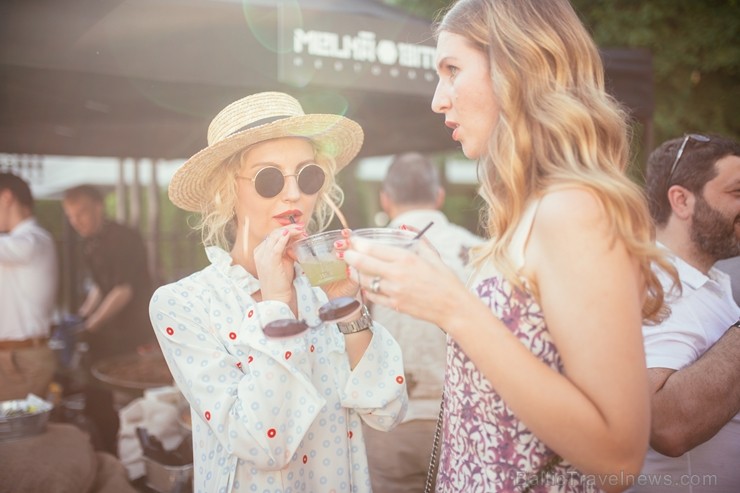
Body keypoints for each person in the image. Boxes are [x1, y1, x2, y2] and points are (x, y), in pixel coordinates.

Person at [343, 1, 677, 491]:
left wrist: (454, 307)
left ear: (519, 68)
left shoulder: (572, 209)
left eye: (453, 70)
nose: (438, 99)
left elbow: (618, 457)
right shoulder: (527, 211)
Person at [149, 91, 407, 492]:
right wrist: (274, 305)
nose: (293, 194)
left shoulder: (325, 286)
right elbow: (263, 445)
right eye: (269, 178)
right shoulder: (182, 303)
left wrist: (349, 307)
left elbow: (386, 410)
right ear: (226, 190)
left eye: (308, 176)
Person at [363, 152, 483, 493]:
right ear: (439, 195)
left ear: (386, 200)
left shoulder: (362, 253)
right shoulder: (479, 252)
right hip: (462, 419)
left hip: (387, 420)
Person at [632, 134, 740, 492]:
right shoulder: (656, 288)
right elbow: (665, 427)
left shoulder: (706, 279)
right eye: (736, 193)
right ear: (681, 200)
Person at [62, 184, 156, 455]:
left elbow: (123, 289)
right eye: (71, 216)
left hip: (132, 332)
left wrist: (91, 326)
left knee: (130, 399)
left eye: (81, 213)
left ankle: (136, 457)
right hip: (106, 333)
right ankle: (106, 453)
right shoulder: (90, 243)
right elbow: (99, 288)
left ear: (98, 207)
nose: (76, 221)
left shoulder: (123, 237)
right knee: (96, 398)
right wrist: (81, 317)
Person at [0, 172, 58, 401]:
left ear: (6, 197)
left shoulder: (34, 240)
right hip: (14, 356)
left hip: (23, 360)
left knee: (19, 434)